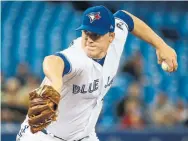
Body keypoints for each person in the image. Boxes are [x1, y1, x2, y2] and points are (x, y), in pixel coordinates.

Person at [17, 5, 178, 141]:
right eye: (86, 33)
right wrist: (56, 84)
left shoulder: (117, 37)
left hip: (83, 136)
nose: (89, 39)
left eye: (96, 34)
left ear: (111, 36)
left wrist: (161, 45)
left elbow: (126, 18)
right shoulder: (77, 57)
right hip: (43, 136)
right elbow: (52, 61)